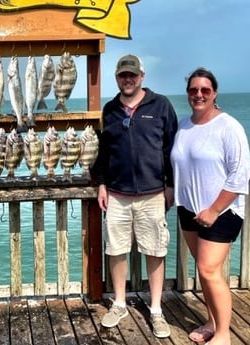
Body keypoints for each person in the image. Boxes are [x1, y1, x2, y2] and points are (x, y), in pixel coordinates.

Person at [94, 54, 178, 338]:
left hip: (153, 193)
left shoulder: (161, 105)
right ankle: (119, 302)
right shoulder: (110, 109)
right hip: (117, 194)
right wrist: (102, 184)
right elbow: (103, 154)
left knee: (155, 250)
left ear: (142, 76)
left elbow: (171, 150)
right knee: (115, 250)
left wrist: (171, 185)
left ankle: (156, 309)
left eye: (132, 75)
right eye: (122, 75)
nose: (127, 79)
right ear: (117, 78)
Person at [171, 67, 250, 345]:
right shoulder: (183, 126)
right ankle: (211, 321)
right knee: (203, 269)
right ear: (188, 94)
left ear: (214, 93)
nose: (199, 94)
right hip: (189, 209)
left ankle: (223, 334)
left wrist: (214, 209)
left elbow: (240, 176)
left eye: (205, 90)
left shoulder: (229, 127)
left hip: (222, 211)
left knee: (208, 270)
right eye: (193, 90)